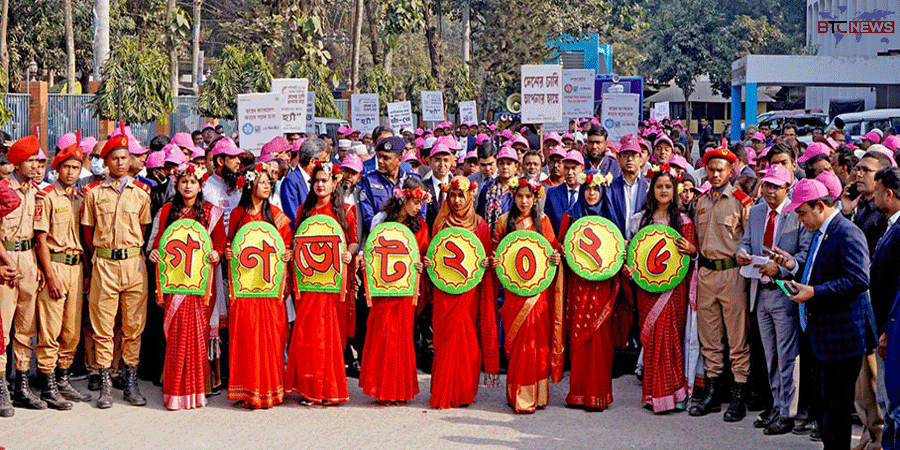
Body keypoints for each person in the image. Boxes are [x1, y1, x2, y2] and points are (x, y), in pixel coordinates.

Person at [776, 178, 875, 450]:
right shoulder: (819, 233)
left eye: (802, 212)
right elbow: (817, 273)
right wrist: (794, 268)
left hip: (840, 339)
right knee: (824, 412)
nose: (799, 219)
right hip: (819, 336)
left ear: (820, 206)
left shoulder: (847, 232)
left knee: (836, 414)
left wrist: (815, 292)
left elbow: (859, 279)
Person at [81, 129, 153, 409]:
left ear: (130, 160)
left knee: (133, 326)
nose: (121, 162)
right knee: (103, 326)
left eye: (125, 157)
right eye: (115, 158)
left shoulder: (142, 194)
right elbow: (88, 232)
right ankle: (105, 382)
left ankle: (130, 381)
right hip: (105, 264)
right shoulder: (93, 194)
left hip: (134, 264)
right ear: (106, 162)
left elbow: (143, 229)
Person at [736, 164, 810, 435]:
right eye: (766, 185)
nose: (768, 191)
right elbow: (745, 241)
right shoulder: (756, 212)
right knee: (770, 355)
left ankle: (787, 411)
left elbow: (803, 255)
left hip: (783, 293)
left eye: (775, 186)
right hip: (760, 291)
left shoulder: (795, 214)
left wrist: (780, 268)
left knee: (787, 356)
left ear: (787, 188)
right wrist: (742, 252)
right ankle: (777, 406)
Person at [147, 163, 226, 410]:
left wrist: (217, 254)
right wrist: (154, 254)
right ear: (177, 184)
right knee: (177, 334)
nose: (188, 186)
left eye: (193, 181)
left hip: (201, 286)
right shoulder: (167, 211)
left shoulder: (211, 213)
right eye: (183, 181)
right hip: (175, 283)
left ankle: (196, 391)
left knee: (197, 335)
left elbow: (220, 245)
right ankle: (175, 392)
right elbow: (157, 244)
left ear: (200, 185)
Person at [623, 167, 698, 413]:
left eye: (667, 186)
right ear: (652, 190)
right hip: (646, 289)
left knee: (671, 337)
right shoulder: (640, 220)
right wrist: (631, 271)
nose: (663, 191)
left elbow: (691, 258)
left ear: (674, 190)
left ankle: (674, 394)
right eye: (659, 187)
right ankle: (653, 394)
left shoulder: (684, 221)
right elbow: (633, 255)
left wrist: (693, 250)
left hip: (673, 289)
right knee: (653, 338)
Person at [689, 141, 753, 421]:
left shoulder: (741, 202)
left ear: (731, 171)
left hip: (732, 275)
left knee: (737, 339)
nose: (715, 175)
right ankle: (712, 393)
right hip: (706, 274)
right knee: (710, 338)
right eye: (711, 169)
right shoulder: (700, 202)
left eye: (721, 170)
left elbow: (749, 240)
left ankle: (738, 396)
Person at [284, 162, 357, 406]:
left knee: (330, 335)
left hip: (333, 284)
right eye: (316, 180)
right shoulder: (305, 212)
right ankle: (309, 388)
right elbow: (297, 242)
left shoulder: (346, 211)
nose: (320, 185)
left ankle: (329, 388)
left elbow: (354, 241)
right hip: (309, 282)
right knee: (308, 335)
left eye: (325, 180)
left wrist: (349, 252)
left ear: (334, 182)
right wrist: (291, 254)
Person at [489, 177, 564, 414]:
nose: (523, 201)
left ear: (535, 199)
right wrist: (495, 260)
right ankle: (518, 395)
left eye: (528, 197)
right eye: (519, 196)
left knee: (536, 344)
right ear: (514, 197)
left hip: (537, 292)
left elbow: (553, 249)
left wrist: (555, 259)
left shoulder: (542, 221)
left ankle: (537, 395)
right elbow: (495, 251)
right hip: (514, 291)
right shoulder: (503, 221)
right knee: (518, 343)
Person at [429, 176, 499, 409]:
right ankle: (444, 390)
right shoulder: (441, 224)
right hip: (445, 293)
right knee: (445, 339)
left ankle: (464, 392)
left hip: (470, 293)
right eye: (452, 195)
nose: (457, 200)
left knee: (468, 340)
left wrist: (489, 264)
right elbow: (433, 255)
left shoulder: (480, 225)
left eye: (461, 195)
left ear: (471, 196)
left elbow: (487, 259)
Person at [359, 177, 431, 404]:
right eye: (415, 202)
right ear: (404, 198)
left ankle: (399, 389)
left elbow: (424, 253)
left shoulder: (421, 225)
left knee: (401, 337)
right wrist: (364, 261)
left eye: (421, 203)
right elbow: (371, 248)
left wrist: (422, 264)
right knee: (383, 335)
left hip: (405, 289)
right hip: (383, 288)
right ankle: (382, 388)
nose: (418, 208)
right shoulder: (381, 220)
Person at [225, 165, 292, 409]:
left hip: (270, 286)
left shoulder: (277, 216)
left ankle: (271, 389)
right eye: (262, 181)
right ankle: (246, 389)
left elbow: (287, 247)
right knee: (246, 335)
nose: (267, 186)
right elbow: (229, 244)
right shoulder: (237, 215)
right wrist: (228, 252)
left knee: (272, 336)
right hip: (245, 286)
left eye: (269, 183)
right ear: (250, 184)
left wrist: (288, 255)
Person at [34, 140, 94, 411]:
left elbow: (85, 237)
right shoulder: (47, 197)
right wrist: (50, 274)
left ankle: (64, 378)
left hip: (75, 266)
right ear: (57, 168)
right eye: (67, 166)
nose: (71, 172)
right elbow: (41, 239)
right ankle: (48, 385)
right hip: (55, 265)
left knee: (71, 330)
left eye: (76, 167)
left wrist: (85, 273)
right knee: (50, 328)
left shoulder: (81, 198)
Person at [558, 171, 617, 411]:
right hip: (579, 284)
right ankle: (578, 394)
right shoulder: (570, 217)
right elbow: (559, 245)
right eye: (588, 189)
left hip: (602, 284)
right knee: (579, 335)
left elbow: (617, 248)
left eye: (596, 189)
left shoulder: (610, 219)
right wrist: (560, 251)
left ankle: (597, 394)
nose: (591, 194)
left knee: (600, 337)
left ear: (602, 192)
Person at [870, 167, 900, 450]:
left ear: (889, 194)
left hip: (893, 327)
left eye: (877, 191)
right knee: (889, 401)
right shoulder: (888, 225)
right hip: (886, 325)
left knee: (896, 403)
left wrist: (888, 329)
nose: (874, 197)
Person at [280, 138, 330, 228]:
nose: (325, 165)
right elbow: (293, 216)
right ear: (312, 162)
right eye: (323, 161)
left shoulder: (316, 179)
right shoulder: (291, 181)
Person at [544, 151, 585, 235]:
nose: (570, 172)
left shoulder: (588, 193)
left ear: (582, 169)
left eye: (574, 168)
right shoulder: (553, 193)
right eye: (566, 168)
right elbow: (548, 226)